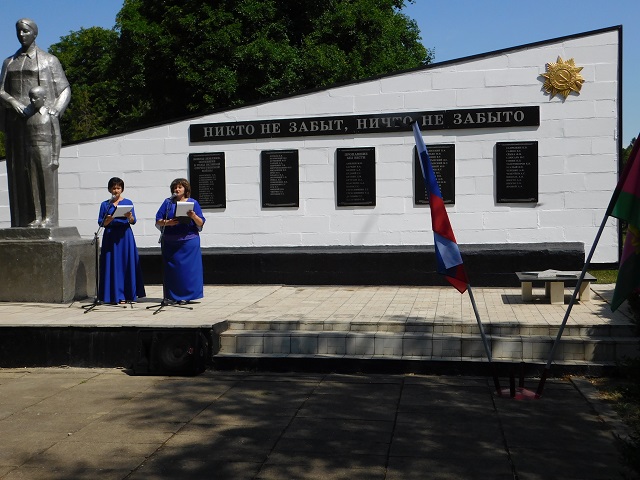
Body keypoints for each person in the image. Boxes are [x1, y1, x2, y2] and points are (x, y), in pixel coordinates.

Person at [0, 18, 70, 227]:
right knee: (20, 173)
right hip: (16, 126)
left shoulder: (49, 60)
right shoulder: (9, 62)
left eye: (25, 31)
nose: (22, 35)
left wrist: (56, 109)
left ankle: (47, 220)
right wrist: (12, 102)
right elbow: (1, 90)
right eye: (19, 31)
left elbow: (64, 89)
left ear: (34, 33)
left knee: (44, 173)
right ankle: (23, 221)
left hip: (40, 124)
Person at [155, 178, 205, 303]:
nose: (177, 189)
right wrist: (169, 223)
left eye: (180, 187)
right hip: (170, 242)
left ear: (185, 189)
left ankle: (189, 296)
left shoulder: (193, 202)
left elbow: (201, 222)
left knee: (189, 271)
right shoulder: (167, 203)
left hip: (189, 241)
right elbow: (158, 220)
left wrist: (193, 216)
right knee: (173, 271)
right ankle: (173, 296)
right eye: (175, 188)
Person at [98, 177, 146, 305]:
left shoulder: (128, 202)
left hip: (125, 236)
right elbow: (101, 223)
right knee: (112, 264)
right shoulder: (105, 204)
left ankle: (127, 294)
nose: (116, 190)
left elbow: (133, 221)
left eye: (118, 188)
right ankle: (111, 294)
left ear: (122, 189)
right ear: (109, 189)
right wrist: (109, 219)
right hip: (110, 236)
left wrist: (130, 217)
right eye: (114, 188)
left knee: (126, 264)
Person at [24, 85, 59, 227]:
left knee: (47, 185)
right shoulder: (29, 117)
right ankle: (37, 216)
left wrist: (55, 157)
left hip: (46, 151)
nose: (32, 100)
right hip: (31, 152)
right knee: (34, 185)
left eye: (35, 97)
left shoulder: (51, 115)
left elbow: (57, 136)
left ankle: (48, 217)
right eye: (30, 97)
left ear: (44, 98)